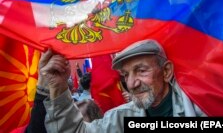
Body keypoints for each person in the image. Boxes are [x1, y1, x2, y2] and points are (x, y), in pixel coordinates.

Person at [41, 39, 206, 133]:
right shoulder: (120, 119)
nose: (131, 84)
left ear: (166, 71)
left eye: (141, 71)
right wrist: (58, 88)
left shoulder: (202, 107)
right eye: (126, 75)